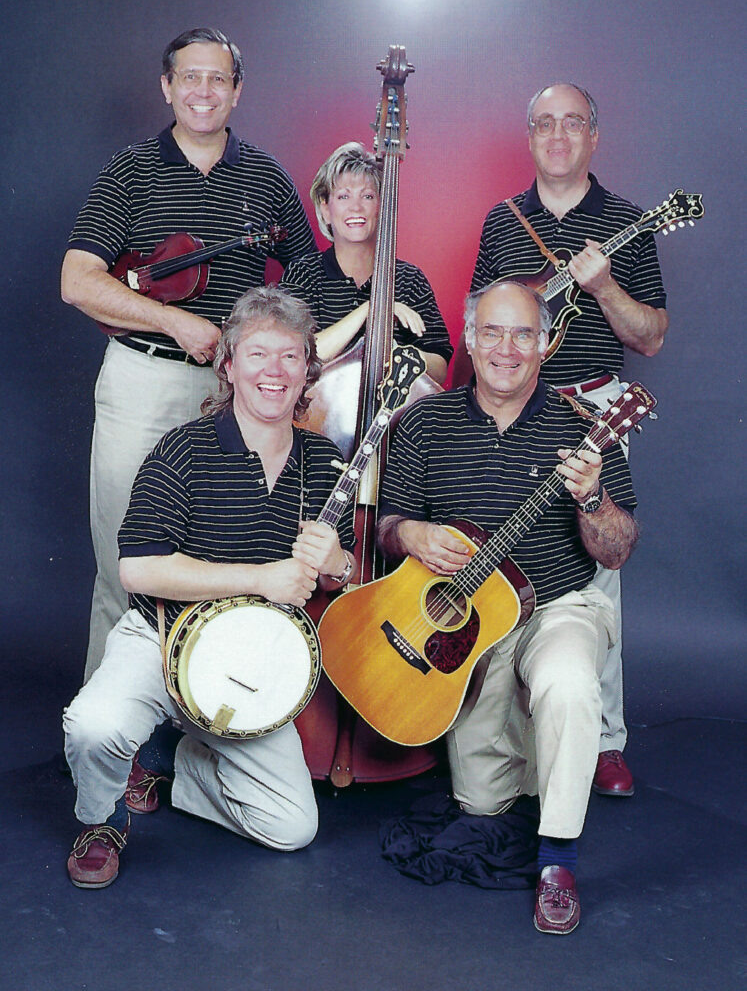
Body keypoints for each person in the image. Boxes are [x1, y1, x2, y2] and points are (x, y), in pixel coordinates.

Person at [63, 287, 356, 889]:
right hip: (163, 640)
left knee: (292, 827)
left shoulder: (325, 462)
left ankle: (174, 764)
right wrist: (260, 579)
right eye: (257, 354)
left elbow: (342, 575)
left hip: (250, 663)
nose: (274, 372)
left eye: (291, 357)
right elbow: (138, 570)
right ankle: (102, 818)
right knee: (93, 724)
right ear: (227, 364)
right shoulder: (183, 448)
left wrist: (340, 563)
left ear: (308, 371)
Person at [378, 280, 639, 933]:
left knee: (569, 683)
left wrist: (589, 499)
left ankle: (557, 861)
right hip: (473, 625)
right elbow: (387, 526)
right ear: (468, 339)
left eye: (523, 333)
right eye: (491, 332)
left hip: (557, 608)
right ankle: (535, 754)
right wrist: (410, 534)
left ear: (545, 344)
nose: (505, 348)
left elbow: (616, 550)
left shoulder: (586, 429)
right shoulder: (424, 423)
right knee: (481, 803)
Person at [61, 28, 317, 682]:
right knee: (126, 563)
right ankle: (117, 749)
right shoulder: (131, 170)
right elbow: (78, 280)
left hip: (232, 398)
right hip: (144, 381)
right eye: (190, 77)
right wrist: (173, 320)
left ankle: (207, 727)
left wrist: (263, 344)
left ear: (236, 91)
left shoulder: (263, 178)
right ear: (168, 87)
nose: (204, 91)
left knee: (217, 558)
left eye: (219, 79)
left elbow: (310, 276)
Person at [468, 82, 668, 796]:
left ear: (593, 136)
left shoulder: (628, 221)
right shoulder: (502, 221)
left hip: (591, 412)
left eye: (572, 123)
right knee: (498, 563)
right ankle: (507, 736)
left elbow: (649, 337)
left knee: (594, 575)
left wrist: (607, 286)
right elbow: (479, 318)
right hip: (506, 409)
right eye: (544, 124)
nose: (558, 135)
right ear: (529, 137)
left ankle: (602, 738)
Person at [280, 141, 452, 382]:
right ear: (326, 208)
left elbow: (439, 368)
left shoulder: (410, 279)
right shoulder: (303, 274)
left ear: (382, 207)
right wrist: (372, 309)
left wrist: (395, 354)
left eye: (368, 196)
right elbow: (293, 355)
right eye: (343, 196)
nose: (356, 207)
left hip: (393, 417)